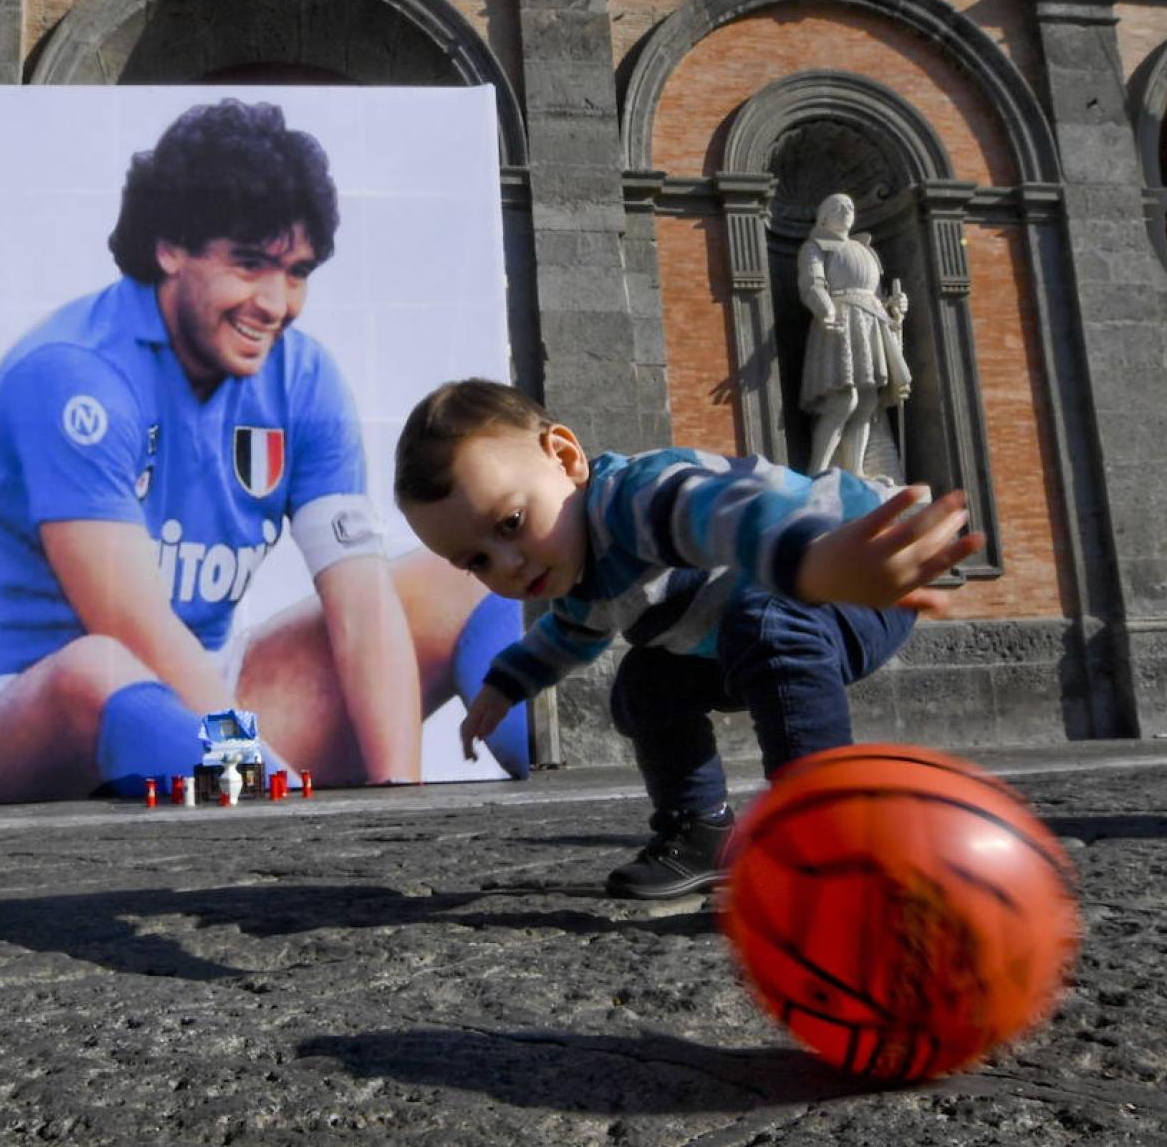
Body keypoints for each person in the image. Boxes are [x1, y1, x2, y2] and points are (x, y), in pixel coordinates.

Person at [0, 100, 528, 805]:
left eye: (295, 272)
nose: (275, 301)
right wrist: (274, 780)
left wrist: (399, 795)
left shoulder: (303, 374)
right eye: (250, 264)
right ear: (169, 247)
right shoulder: (72, 371)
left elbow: (359, 601)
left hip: (212, 689)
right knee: (99, 666)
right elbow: (132, 627)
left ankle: (533, 773)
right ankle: (266, 805)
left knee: (460, 582)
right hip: (21, 705)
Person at [394, 379, 984, 899]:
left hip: (861, 567)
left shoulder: (637, 499)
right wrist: (504, 685)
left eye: (511, 524)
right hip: (763, 617)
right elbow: (567, 638)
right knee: (644, 682)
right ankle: (701, 831)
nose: (510, 564)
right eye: (476, 560)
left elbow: (733, 511)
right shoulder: (575, 574)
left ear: (565, 457)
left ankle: (822, 833)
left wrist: (811, 563)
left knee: (767, 616)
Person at [798, 192, 911, 478]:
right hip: (841, 319)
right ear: (823, 216)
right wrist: (825, 311)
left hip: (871, 320)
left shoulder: (867, 250)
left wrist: (895, 308)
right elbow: (812, 283)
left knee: (868, 400)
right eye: (838, 205)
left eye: (850, 204)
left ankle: (856, 469)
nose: (847, 208)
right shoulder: (816, 246)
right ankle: (818, 471)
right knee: (843, 399)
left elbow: (879, 295)